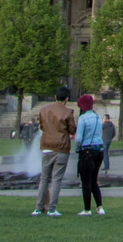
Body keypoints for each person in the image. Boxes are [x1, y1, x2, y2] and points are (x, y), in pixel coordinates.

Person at [31, 86, 77, 217]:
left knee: (44, 179)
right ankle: (52, 208)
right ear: (67, 99)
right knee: (56, 179)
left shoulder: (44, 110)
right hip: (61, 147)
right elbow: (72, 130)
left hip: (46, 146)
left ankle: (38, 208)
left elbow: (41, 126)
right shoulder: (68, 112)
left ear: (55, 97)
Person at [74, 93, 106, 217]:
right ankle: (100, 207)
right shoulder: (98, 118)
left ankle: (87, 209)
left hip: (87, 150)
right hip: (99, 150)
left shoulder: (83, 119)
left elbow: (78, 138)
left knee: (86, 181)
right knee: (94, 180)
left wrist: (78, 149)